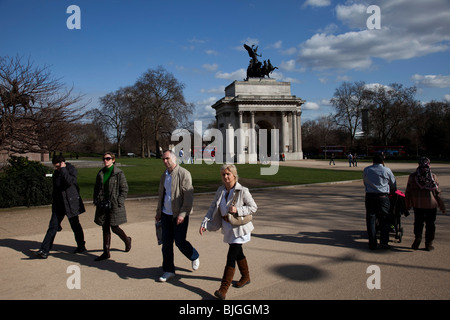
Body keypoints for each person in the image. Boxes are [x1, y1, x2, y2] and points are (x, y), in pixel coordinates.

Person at [199, 164, 257, 300]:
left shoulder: (242, 190)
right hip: (227, 227)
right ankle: (246, 276)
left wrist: (238, 210)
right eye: (223, 174)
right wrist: (205, 222)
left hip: (240, 228)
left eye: (228, 174)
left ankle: (223, 289)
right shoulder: (221, 190)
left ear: (234, 175)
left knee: (231, 256)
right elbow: (212, 207)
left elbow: (253, 207)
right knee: (238, 253)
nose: (225, 177)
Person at [155, 150, 199, 282]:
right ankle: (168, 270)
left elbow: (188, 198)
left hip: (179, 215)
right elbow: (161, 196)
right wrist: (158, 213)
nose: (165, 161)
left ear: (174, 159)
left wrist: (182, 214)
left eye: (167, 158)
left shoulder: (184, 174)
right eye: (163, 159)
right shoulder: (164, 175)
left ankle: (194, 255)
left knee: (180, 242)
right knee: (166, 244)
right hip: (165, 214)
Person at [32, 155, 86, 259]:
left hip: (70, 204)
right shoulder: (56, 173)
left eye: (57, 166)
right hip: (59, 205)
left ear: (62, 163)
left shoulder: (71, 169)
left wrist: (63, 169)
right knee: (52, 227)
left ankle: (81, 246)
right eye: (55, 167)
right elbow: (55, 190)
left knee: (75, 226)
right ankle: (44, 250)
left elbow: (70, 182)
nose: (56, 169)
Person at [93, 152, 131, 261]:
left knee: (114, 227)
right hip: (102, 203)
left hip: (113, 204)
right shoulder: (101, 173)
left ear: (113, 160)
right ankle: (106, 252)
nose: (105, 160)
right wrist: (96, 199)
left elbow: (124, 189)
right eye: (104, 159)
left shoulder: (119, 173)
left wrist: (120, 201)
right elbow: (96, 188)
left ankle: (127, 240)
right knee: (104, 227)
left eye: (108, 158)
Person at [405, 157, 446, 251]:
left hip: (418, 204)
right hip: (431, 204)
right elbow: (437, 193)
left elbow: (408, 192)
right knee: (430, 224)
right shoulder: (433, 177)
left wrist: (407, 204)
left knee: (418, 223)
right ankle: (428, 243)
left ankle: (418, 238)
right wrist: (442, 206)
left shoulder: (413, 177)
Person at [363, 154, 397, 250]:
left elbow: (365, 182)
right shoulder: (387, 170)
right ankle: (384, 241)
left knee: (371, 219)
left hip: (370, 196)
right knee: (385, 219)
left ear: (373, 161)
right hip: (382, 197)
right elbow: (393, 184)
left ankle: (372, 242)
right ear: (382, 161)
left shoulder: (367, 169)